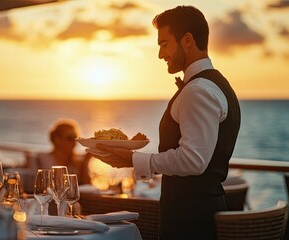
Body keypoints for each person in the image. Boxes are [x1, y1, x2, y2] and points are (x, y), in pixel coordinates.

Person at [93, 5, 241, 239]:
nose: (161, 54)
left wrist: (133, 159)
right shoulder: (214, 84)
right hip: (196, 213)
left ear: (187, 40)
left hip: (191, 221)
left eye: (163, 44)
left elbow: (194, 161)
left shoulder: (198, 91)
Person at [34, 119, 91, 185]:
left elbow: (87, 187)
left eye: (75, 139)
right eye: (69, 138)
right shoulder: (41, 160)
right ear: (57, 139)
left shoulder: (78, 163)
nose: (74, 142)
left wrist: (85, 163)